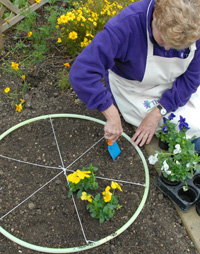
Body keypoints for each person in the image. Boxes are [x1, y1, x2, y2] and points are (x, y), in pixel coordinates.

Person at [69, 0, 200, 152]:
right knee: (189, 126)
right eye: (163, 39)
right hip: (135, 88)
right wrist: (111, 113)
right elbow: (81, 72)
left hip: (174, 83)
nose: (167, 48)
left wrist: (159, 111)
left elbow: (191, 79)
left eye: (177, 46)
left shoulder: (194, 27)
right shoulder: (126, 26)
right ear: (156, 15)